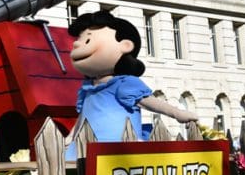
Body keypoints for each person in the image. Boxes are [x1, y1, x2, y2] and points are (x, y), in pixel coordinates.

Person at [66, 11, 198, 154]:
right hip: (84, 149)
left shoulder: (123, 83)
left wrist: (176, 113)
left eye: (87, 40)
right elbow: (83, 117)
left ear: (125, 45)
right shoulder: (88, 88)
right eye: (79, 40)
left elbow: (148, 101)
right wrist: (70, 137)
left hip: (118, 150)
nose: (77, 44)